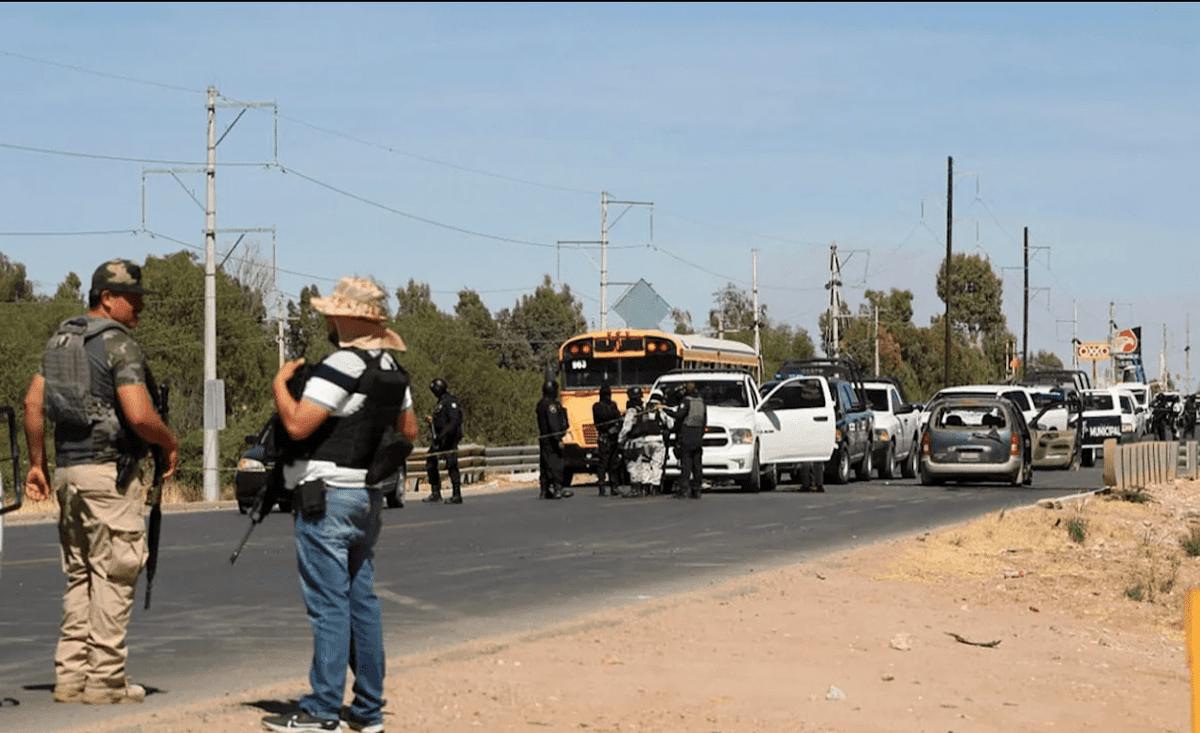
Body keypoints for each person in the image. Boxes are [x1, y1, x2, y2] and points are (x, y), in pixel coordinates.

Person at [262, 277, 417, 733]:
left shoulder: (342, 363)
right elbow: (407, 433)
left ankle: (322, 708)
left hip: (326, 495)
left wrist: (279, 385)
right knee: (361, 600)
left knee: (329, 604)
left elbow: (297, 425)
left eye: (331, 314)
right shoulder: (392, 369)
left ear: (344, 319)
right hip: (367, 495)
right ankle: (368, 710)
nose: (327, 320)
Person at [22, 258, 179, 705]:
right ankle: (106, 680)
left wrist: (38, 463)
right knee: (114, 573)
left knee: (80, 578)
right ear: (107, 298)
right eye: (132, 299)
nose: (139, 309)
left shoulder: (59, 341)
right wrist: (168, 442)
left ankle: (70, 677)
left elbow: (34, 403)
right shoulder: (118, 344)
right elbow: (138, 413)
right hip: (109, 474)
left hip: (69, 474)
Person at [618, 390, 672, 497]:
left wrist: (620, 440)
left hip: (643, 441)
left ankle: (643, 488)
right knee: (656, 465)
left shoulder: (639, 411)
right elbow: (670, 424)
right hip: (655, 441)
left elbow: (626, 428)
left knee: (642, 465)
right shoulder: (658, 411)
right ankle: (654, 488)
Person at [423, 377, 464, 504]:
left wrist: (443, 434)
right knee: (430, 461)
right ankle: (435, 492)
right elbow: (441, 420)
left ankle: (456, 494)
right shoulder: (441, 402)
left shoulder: (450, 401)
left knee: (452, 464)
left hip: (449, 439)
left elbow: (454, 421)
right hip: (440, 439)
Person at [536, 378, 574, 500]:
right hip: (552, 439)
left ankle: (544, 490)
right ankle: (558, 489)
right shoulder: (551, 405)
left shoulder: (540, 404)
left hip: (543, 439)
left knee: (544, 464)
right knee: (556, 464)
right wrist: (558, 438)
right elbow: (553, 423)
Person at [670, 382, 706, 499]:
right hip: (698, 436)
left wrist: (666, 411)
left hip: (687, 435)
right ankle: (697, 489)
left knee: (686, 464)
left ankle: (684, 490)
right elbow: (704, 420)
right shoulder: (701, 402)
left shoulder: (686, 401)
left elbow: (679, 415)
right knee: (697, 465)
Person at [591, 383, 622, 497]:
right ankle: (602, 486)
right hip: (604, 437)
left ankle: (614, 486)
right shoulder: (597, 407)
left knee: (614, 464)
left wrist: (616, 427)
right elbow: (603, 418)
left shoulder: (613, 405)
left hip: (613, 437)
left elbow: (618, 418)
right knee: (603, 463)